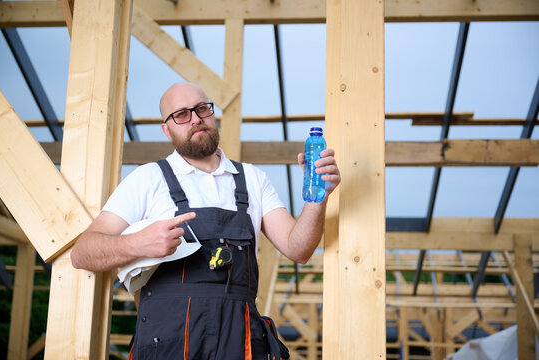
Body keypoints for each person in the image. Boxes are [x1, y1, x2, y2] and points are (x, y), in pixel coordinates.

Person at [71, 82, 341, 360]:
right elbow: (82, 253)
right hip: (168, 345)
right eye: (181, 114)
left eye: (202, 108)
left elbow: (299, 249)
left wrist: (317, 198)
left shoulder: (253, 179)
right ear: (167, 129)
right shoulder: (148, 179)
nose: (196, 118)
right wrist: (138, 244)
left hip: (241, 344)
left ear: (212, 114)